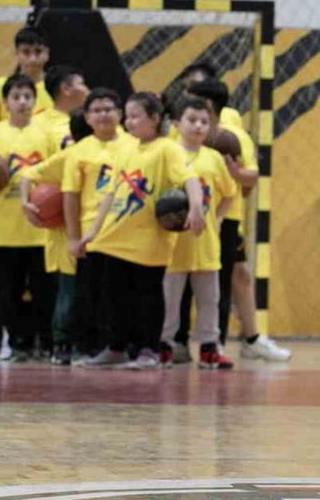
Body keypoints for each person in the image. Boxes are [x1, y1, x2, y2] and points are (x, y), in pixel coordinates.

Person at [75, 92, 204, 369]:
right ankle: (116, 348)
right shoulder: (126, 148)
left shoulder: (168, 149)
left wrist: (195, 208)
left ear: (154, 118)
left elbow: (190, 179)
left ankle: (149, 350)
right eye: (128, 116)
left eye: (135, 116)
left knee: (148, 295)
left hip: (149, 239)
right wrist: (93, 231)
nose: (128, 122)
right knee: (115, 296)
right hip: (115, 236)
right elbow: (110, 194)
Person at [180, 80, 291, 362]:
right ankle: (175, 342)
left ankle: (220, 343)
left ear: (209, 105)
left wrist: (235, 173)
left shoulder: (231, 134)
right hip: (185, 211)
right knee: (181, 278)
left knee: (224, 280)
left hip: (224, 216)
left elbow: (249, 178)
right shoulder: (178, 130)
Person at [0, 75, 60, 361]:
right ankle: (18, 342)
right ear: (5, 103)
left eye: (27, 97)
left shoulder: (47, 134)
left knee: (46, 291)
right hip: (2, 229)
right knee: (8, 292)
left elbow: (57, 172)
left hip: (40, 229)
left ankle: (47, 341)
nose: (22, 102)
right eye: (16, 97)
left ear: (35, 101)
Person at [17, 65, 89, 364]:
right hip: (65, 227)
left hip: (98, 227)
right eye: (82, 82)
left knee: (90, 291)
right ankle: (61, 344)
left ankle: (90, 343)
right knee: (67, 291)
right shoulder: (51, 134)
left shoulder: (114, 146)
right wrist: (28, 203)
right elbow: (31, 173)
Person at [161, 97, 238, 369]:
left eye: (204, 122)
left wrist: (218, 218)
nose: (198, 126)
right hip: (173, 243)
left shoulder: (214, 158)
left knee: (209, 300)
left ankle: (209, 348)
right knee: (169, 301)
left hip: (205, 242)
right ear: (176, 124)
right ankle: (164, 345)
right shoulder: (168, 155)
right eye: (192, 120)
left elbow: (229, 193)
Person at [64, 89, 139, 363]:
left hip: (129, 229)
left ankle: (126, 345)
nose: (103, 115)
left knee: (126, 291)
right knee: (91, 291)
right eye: (96, 110)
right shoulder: (78, 151)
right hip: (91, 234)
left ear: (120, 113)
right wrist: (73, 237)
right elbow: (70, 195)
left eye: (109, 109)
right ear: (87, 117)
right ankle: (89, 346)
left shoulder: (135, 144)